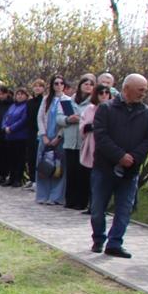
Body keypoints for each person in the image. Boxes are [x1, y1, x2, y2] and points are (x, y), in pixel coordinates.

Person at [90, 73, 148, 258]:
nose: (144, 93)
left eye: (145, 89)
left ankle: (115, 243)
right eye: (140, 89)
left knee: (124, 209)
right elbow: (101, 136)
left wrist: (133, 157)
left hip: (130, 171)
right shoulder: (106, 109)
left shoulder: (147, 113)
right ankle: (98, 238)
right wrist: (119, 156)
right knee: (97, 209)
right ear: (127, 88)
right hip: (104, 168)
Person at [61, 75, 95, 210]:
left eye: (90, 84)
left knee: (83, 173)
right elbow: (59, 117)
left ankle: (82, 202)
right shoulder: (69, 101)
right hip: (70, 141)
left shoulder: (92, 104)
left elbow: (91, 121)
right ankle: (70, 200)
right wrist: (68, 119)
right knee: (71, 172)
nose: (87, 86)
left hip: (84, 143)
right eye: (85, 84)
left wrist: (79, 119)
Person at [36, 76, 69, 205]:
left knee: (58, 167)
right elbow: (40, 118)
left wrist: (58, 137)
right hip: (45, 137)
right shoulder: (46, 100)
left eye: (61, 83)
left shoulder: (67, 100)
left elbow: (66, 122)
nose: (59, 85)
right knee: (44, 165)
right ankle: (43, 195)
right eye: (56, 83)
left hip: (58, 138)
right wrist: (43, 135)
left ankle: (56, 196)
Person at [80, 83, 113, 212]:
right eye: (101, 93)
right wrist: (90, 127)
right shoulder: (90, 109)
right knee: (91, 176)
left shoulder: (113, 109)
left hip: (106, 146)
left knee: (103, 178)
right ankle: (91, 204)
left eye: (106, 92)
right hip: (91, 143)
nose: (104, 95)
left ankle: (101, 206)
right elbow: (83, 125)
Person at [2, 87, 30, 187]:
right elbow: (5, 117)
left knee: (19, 159)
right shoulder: (12, 106)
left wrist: (12, 128)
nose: (19, 96)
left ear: (26, 96)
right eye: (18, 94)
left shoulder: (26, 106)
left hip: (20, 136)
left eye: (22, 94)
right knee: (10, 158)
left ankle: (18, 179)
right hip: (9, 137)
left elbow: (23, 120)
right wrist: (4, 127)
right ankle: (11, 177)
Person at [25, 79, 46, 188]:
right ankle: (31, 178)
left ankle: (37, 180)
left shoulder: (45, 101)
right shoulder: (29, 102)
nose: (37, 88)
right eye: (35, 86)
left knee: (38, 155)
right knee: (30, 156)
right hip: (30, 131)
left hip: (39, 131)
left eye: (40, 86)